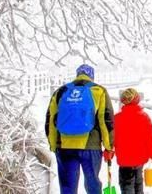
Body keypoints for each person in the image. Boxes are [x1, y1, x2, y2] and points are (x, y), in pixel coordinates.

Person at [45, 64, 115, 194]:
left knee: (67, 188)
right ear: (92, 76)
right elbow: (106, 121)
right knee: (93, 184)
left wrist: (53, 145)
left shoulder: (60, 92)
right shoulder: (99, 91)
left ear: (77, 75)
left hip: (64, 147)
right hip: (91, 147)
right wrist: (109, 146)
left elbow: (51, 120)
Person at [113, 88, 152, 194]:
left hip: (125, 160)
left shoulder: (117, 118)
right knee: (138, 184)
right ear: (137, 100)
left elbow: (112, 139)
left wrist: (109, 151)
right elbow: (150, 139)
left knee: (127, 186)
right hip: (139, 159)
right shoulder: (144, 117)